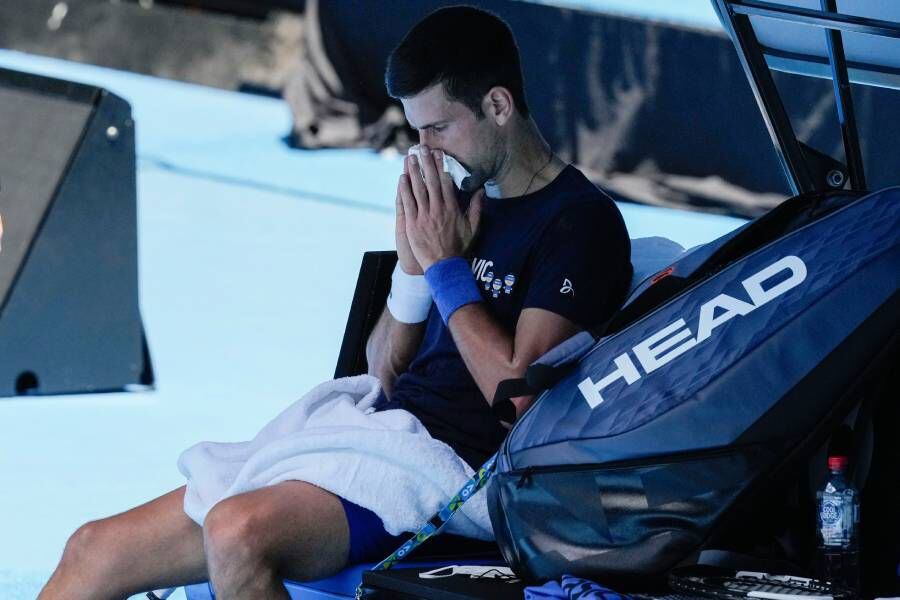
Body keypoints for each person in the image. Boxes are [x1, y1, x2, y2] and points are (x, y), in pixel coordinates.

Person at [38, 6, 631, 599]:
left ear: (498, 106)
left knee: (237, 534)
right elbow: (382, 374)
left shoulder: (579, 223)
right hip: (377, 437)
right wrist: (412, 267)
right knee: (93, 549)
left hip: (451, 473)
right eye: (415, 131)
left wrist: (447, 270)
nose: (425, 150)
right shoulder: (455, 204)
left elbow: (518, 401)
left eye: (438, 129)